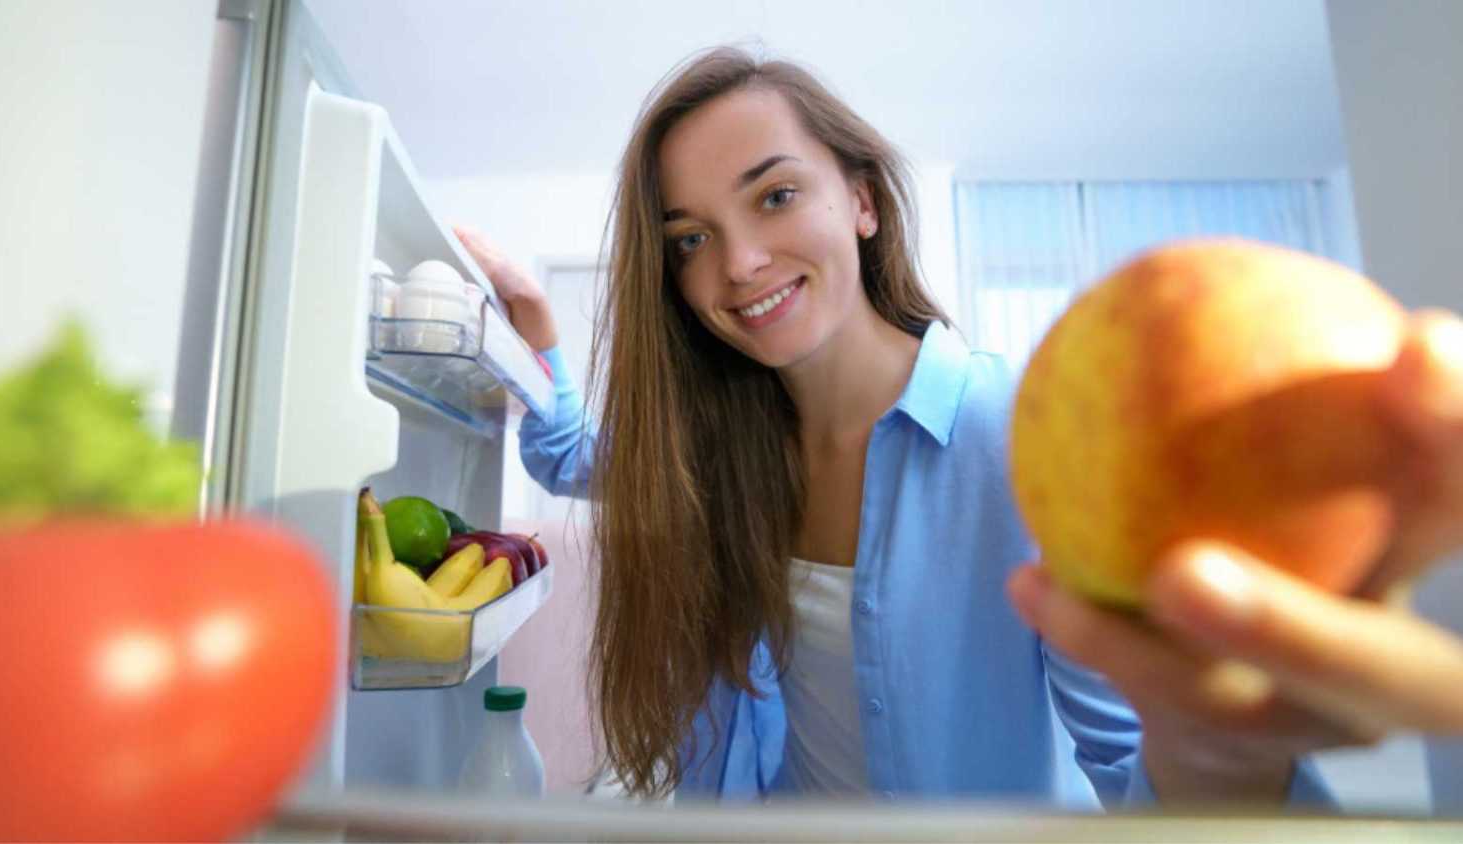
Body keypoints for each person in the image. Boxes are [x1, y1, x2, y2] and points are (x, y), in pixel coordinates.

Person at [454, 46, 1463, 806]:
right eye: (690, 238)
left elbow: (1129, 769)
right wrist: (537, 335)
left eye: (775, 195)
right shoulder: (715, 453)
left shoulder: (1015, 439)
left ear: (860, 200)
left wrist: (1226, 753)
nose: (740, 263)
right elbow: (571, 454)